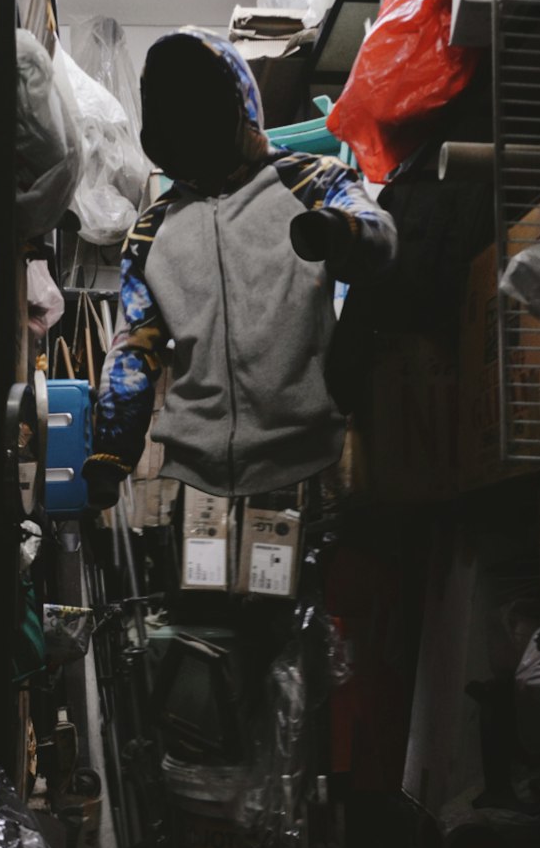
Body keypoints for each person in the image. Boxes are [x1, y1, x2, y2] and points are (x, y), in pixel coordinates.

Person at [81, 27, 397, 508]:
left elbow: (380, 236)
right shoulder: (152, 230)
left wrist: (338, 232)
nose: (191, 125)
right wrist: (112, 450)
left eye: (203, 108)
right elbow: (134, 345)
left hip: (310, 458)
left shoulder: (311, 182)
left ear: (239, 104)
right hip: (193, 472)